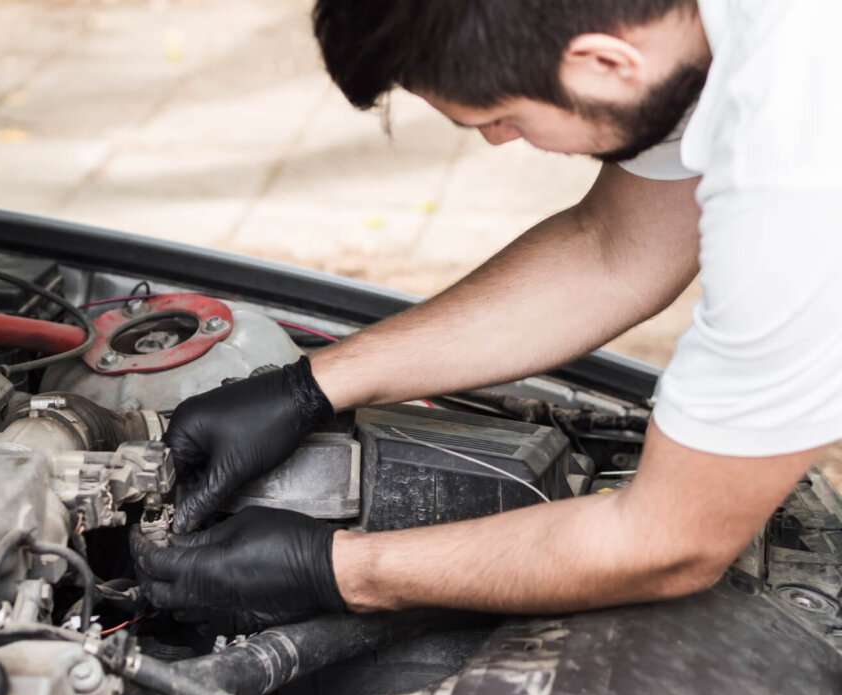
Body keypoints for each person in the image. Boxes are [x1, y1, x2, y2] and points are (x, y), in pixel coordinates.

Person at [130, 0, 842, 628]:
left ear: (603, 61)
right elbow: (614, 249)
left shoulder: (797, 177)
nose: (498, 140)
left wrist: (343, 570)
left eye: (501, 119)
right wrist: (313, 385)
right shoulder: (684, 35)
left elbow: (667, 542)